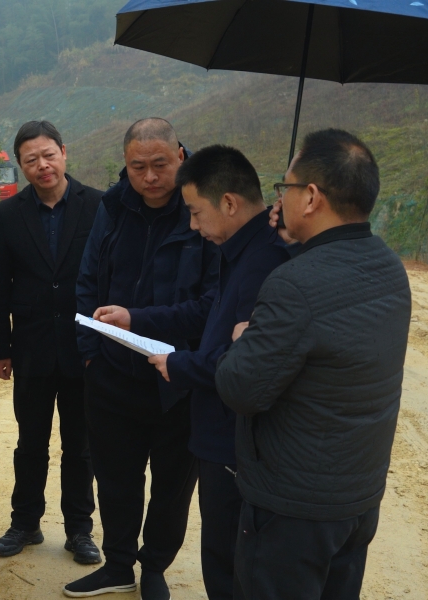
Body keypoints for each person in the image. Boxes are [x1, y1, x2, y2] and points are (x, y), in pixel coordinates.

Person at [215, 129, 412, 599]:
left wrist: (243, 339)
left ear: (310, 197)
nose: (277, 200)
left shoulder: (294, 285)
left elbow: (240, 388)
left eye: (284, 187)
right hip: (357, 498)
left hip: (293, 509)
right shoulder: (389, 266)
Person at [95, 145, 289, 599]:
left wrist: (180, 364)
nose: (194, 226)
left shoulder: (266, 260)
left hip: (234, 437)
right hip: (217, 430)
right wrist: (135, 318)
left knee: (229, 564)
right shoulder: (239, 250)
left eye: (197, 213)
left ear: (229, 203)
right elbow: (206, 314)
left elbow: (246, 360)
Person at [65, 118, 219, 600]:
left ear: (180, 156)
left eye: (160, 164)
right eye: (138, 167)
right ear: (125, 164)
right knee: (115, 479)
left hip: (178, 379)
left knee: (172, 484)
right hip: (112, 374)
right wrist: (91, 355)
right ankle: (118, 565)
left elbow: (212, 304)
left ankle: (154, 568)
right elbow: (87, 281)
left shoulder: (203, 211)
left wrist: (138, 320)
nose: (150, 177)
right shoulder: (113, 206)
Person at [0, 121, 102, 563]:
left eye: (48, 155)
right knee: (30, 443)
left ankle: (79, 530)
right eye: (31, 159)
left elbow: (108, 277)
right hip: (31, 348)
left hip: (84, 349)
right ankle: (25, 523)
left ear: (64, 152)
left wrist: (103, 344)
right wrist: (1, 348)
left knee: (80, 446)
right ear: (21, 165)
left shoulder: (98, 206)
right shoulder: (7, 214)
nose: (42, 165)